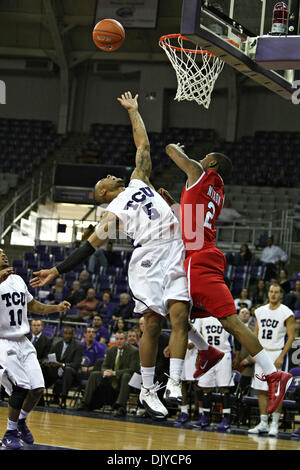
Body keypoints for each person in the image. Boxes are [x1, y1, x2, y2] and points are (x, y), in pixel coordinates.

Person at [30, 91, 220, 420]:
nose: (110, 175)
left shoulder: (138, 179)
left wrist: (134, 111)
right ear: (102, 193)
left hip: (176, 247)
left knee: (179, 317)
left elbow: (142, 145)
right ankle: (147, 389)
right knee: (150, 323)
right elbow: (88, 247)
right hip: (147, 259)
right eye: (104, 179)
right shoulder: (112, 214)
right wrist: (57, 271)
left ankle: (174, 381)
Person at [159, 142, 292, 416]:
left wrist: (178, 147)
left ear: (212, 164)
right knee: (179, 315)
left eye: (206, 156)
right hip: (206, 254)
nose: (202, 157)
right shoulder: (216, 191)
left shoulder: (198, 172)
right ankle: (208, 352)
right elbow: (193, 221)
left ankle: (271, 373)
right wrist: (173, 203)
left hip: (199, 259)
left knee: (223, 321)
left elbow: (171, 151)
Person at [0, 248, 71, 450]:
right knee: (21, 386)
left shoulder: (17, 280)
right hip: (3, 343)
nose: (4, 254)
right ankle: (9, 432)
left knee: (38, 388)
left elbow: (34, 306)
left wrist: (56, 308)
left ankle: (21, 421)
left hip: (23, 340)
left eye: (5, 252)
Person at [248, 283, 295, 436]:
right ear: (268, 294)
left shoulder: (286, 312)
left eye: (276, 292)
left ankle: (274, 423)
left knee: (276, 392)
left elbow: (291, 337)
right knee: (261, 389)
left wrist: (282, 356)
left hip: (276, 353)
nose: (273, 294)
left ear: (281, 295)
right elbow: (255, 334)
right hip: (262, 353)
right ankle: (263, 423)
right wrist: (254, 352)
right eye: (271, 292)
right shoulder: (260, 311)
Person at [76, 331, 140, 416]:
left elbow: (133, 369)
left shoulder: (134, 351)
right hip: (111, 378)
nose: (119, 341)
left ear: (126, 340)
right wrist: (105, 371)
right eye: (117, 339)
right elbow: (104, 365)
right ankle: (85, 403)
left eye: (121, 339)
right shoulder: (111, 350)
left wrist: (114, 373)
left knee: (126, 376)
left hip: (125, 380)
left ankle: (121, 407)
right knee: (95, 374)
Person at [193, 316, 234, 432]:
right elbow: (199, 338)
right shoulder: (203, 319)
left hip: (224, 353)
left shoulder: (226, 317)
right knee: (206, 387)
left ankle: (226, 419)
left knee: (224, 387)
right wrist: (198, 356)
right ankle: (205, 417)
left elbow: (233, 338)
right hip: (208, 354)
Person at [41, 326, 83, 409]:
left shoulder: (78, 346)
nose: (67, 336)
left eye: (69, 334)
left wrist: (62, 364)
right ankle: (40, 396)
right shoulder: (57, 344)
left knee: (67, 370)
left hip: (72, 373)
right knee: (43, 367)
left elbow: (76, 364)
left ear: (73, 335)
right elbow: (49, 356)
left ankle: (63, 399)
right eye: (65, 333)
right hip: (57, 370)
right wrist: (47, 363)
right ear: (62, 334)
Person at [174, 318, 202, 425]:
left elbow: (201, 334)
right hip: (182, 352)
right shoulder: (181, 313)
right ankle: (184, 412)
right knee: (182, 383)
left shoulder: (199, 317)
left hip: (195, 353)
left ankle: (199, 412)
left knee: (197, 384)